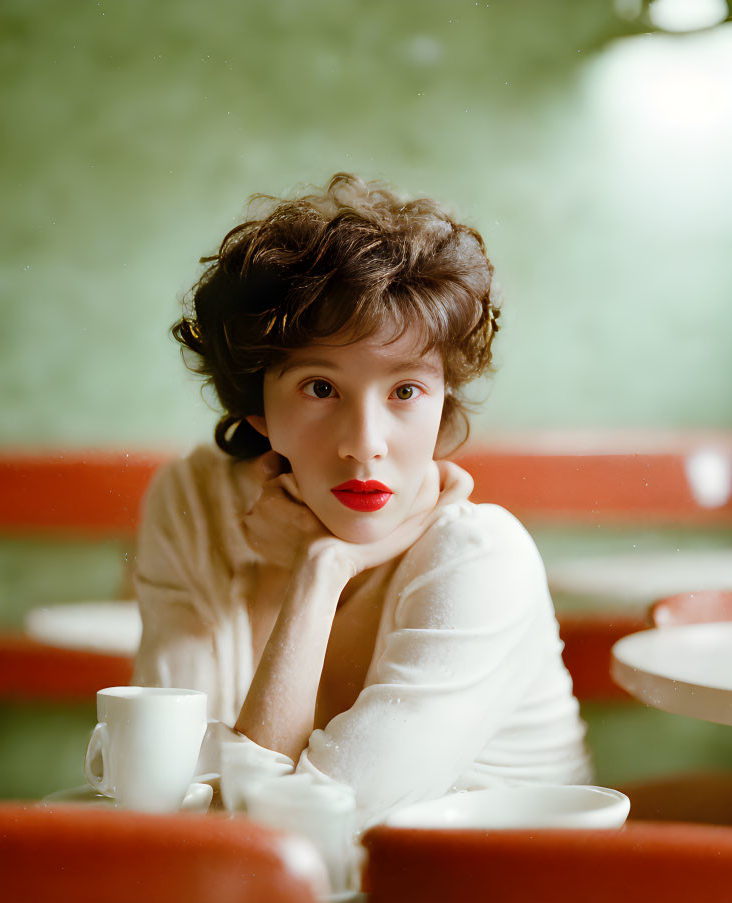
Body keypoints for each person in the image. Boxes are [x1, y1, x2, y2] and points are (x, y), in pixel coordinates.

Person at [131, 173, 591, 830]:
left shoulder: (480, 555)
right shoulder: (195, 504)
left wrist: (319, 571)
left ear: (441, 404)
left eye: (405, 391)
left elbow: (287, 830)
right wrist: (322, 572)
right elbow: (166, 784)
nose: (364, 446)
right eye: (320, 388)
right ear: (256, 405)